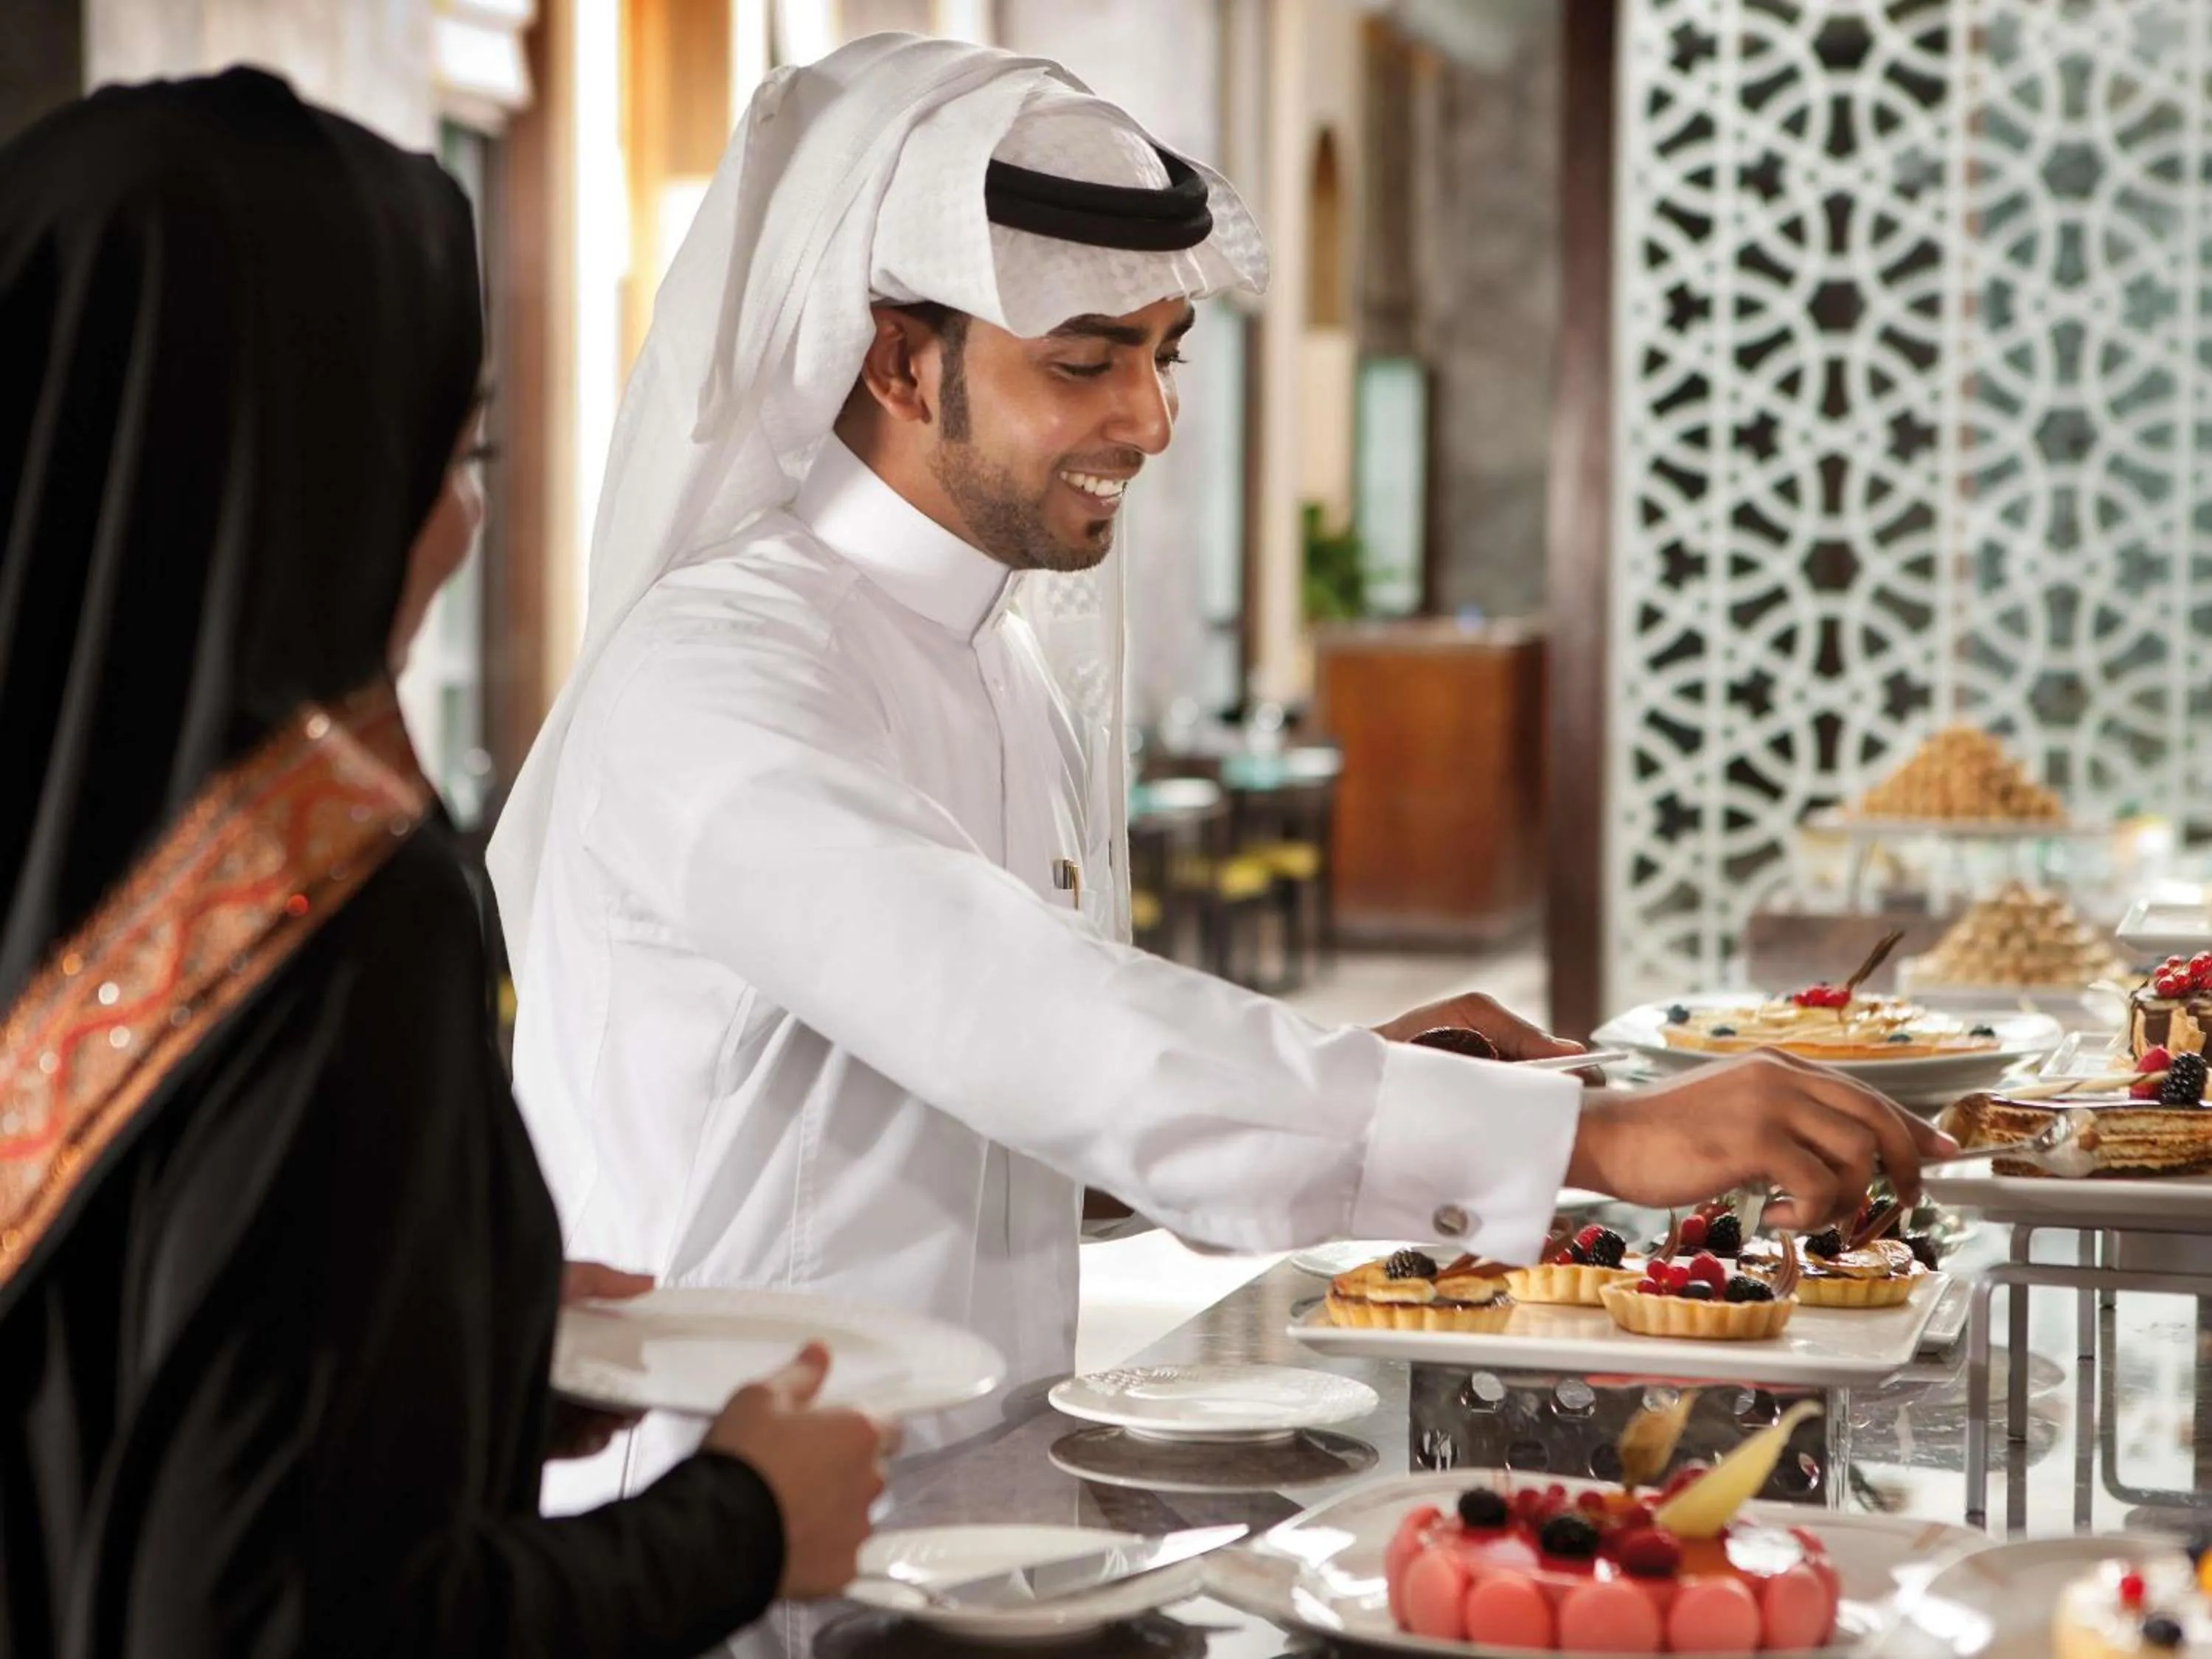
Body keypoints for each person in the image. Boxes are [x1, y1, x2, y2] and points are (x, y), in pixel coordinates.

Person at [489, 33, 1952, 1511]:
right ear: (896, 357)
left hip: (973, 1523)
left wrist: (1396, 1079)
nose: (1151, 419)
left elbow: (1005, 1118)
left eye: (1163, 354)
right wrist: (1600, 1135)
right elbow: (1024, 1016)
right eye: (1085, 361)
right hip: (700, 1544)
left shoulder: (996, 660)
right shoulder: (717, 674)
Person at [0, 70, 886, 1658]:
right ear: (306, 468)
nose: (462, 525)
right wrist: (744, 1521)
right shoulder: (326, 914)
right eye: (455, 451)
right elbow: (276, 1621)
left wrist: (459, 1351)